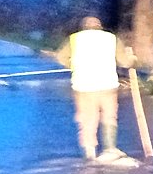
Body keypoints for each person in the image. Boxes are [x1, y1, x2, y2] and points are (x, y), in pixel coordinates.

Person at [55, 16, 135, 160]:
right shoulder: (111, 38)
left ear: (83, 27)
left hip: (83, 86)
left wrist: (74, 66)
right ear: (100, 26)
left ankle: (90, 153)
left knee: (87, 119)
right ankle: (110, 149)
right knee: (109, 116)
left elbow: (61, 58)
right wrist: (132, 59)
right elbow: (124, 61)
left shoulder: (74, 39)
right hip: (107, 85)